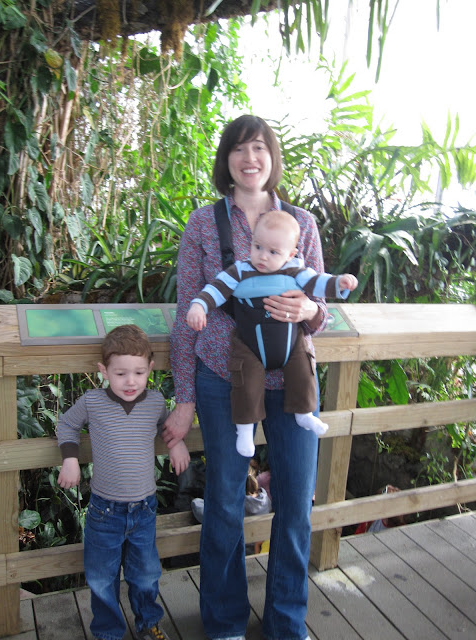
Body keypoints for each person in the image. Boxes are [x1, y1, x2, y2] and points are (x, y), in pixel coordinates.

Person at [164, 114, 330, 640]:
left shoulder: (302, 223)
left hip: (293, 380)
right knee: (224, 502)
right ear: (227, 160)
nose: (249, 158)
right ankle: (224, 623)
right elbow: (185, 314)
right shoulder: (202, 224)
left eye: (259, 147)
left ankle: (286, 622)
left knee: (296, 501)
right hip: (222, 376)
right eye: (239, 148)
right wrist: (184, 397)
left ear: (272, 157)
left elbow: (322, 308)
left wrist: (309, 309)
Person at [186, 209, 358, 456]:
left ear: (291, 254)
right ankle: (245, 431)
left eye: (273, 252)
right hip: (249, 345)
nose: (263, 256)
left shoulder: (296, 270)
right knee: (246, 383)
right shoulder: (240, 270)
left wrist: (340, 283)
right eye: (257, 247)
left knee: (303, 370)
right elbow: (216, 289)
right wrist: (199, 305)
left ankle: (305, 413)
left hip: (290, 344)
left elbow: (319, 283)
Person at [57, 324, 190, 640]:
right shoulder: (92, 402)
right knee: (102, 578)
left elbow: (167, 426)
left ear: (150, 369)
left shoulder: (155, 402)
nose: (131, 381)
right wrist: (70, 458)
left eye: (139, 373)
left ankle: (148, 623)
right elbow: (66, 425)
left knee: (145, 574)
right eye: (120, 374)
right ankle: (108, 632)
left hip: (144, 509)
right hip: (105, 511)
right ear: (104, 371)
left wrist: (176, 444)